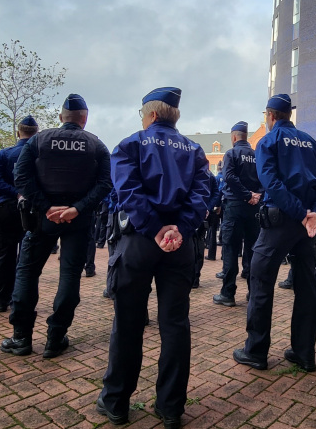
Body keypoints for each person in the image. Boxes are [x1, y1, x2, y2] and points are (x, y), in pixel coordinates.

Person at [96, 87, 210, 428]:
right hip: (179, 245)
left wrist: (155, 228)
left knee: (128, 322)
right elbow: (203, 194)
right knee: (175, 324)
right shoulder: (194, 150)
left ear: (153, 115)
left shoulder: (131, 144)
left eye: (142, 114)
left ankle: (116, 402)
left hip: (140, 241)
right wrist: (178, 228)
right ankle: (171, 407)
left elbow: (126, 190)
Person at [0, 94, 112, 358]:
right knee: (70, 275)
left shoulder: (38, 140)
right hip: (78, 220)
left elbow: (21, 178)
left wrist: (46, 207)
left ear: (61, 118)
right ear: (85, 119)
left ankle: (21, 337)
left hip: (41, 219)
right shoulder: (96, 144)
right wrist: (77, 208)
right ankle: (56, 336)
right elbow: (105, 184)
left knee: (27, 272)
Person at [233, 93, 316, 373]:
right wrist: (315, 214)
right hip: (308, 225)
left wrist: (300, 214)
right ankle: (304, 353)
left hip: (280, 222)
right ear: (289, 115)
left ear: (270, 116)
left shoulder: (268, 141)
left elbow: (271, 184)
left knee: (261, 281)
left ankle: (256, 351)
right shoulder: (312, 143)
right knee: (306, 286)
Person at [0, 115, 39, 312]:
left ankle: (1, 300)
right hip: (32, 210)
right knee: (29, 257)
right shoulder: (39, 154)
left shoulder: (5, 154)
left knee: (5, 255)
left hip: (5, 208)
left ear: (18, 132)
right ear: (36, 133)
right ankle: (23, 300)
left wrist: (14, 193)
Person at [213, 121, 263, 307]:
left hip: (235, 205)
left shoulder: (231, 153)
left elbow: (229, 177)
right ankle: (252, 292)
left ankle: (228, 293)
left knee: (231, 249)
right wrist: (255, 196)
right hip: (254, 207)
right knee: (252, 249)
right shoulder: (257, 155)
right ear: (246, 135)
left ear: (234, 137)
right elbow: (265, 177)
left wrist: (245, 194)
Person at [194, 168, 221, 289]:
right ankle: (195, 277)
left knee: (195, 245)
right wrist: (208, 208)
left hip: (193, 213)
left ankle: (193, 277)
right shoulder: (209, 174)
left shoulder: (190, 170)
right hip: (201, 213)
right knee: (199, 244)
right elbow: (216, 193)